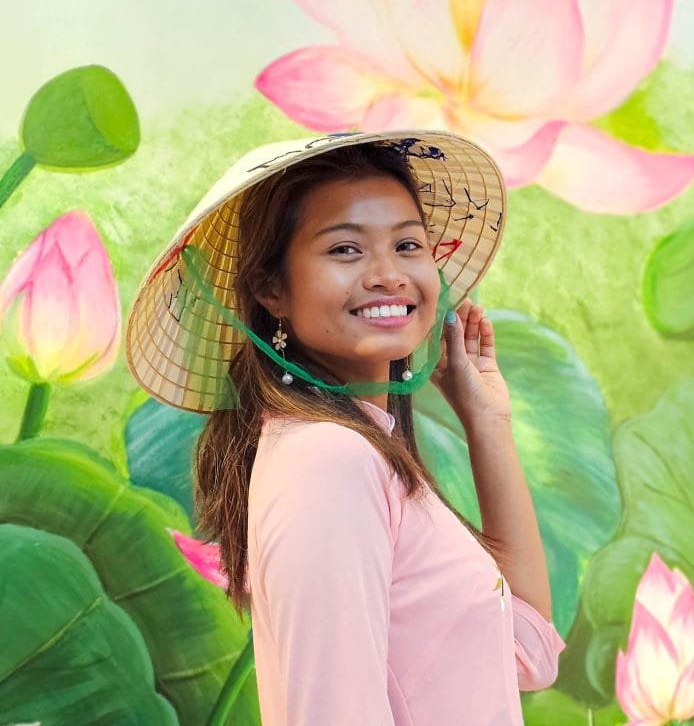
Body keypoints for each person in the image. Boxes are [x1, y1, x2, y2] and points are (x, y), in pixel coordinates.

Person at [124, 131, 565, 725]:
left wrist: (487, 424)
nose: (389, 275)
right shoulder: (328, 461)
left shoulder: (361, 450)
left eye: (408, 244)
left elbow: (530, 653)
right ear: (272, 290)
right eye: (345, 251)